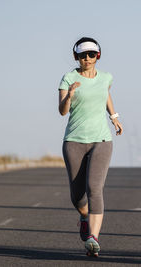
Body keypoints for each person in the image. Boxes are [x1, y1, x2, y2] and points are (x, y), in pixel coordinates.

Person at [58, 37, 123, 257]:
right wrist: (70, 96)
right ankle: (84, 217)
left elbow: (105, 94)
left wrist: (113, 117)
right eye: (83, 55)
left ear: (98, 55)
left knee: (95, 188)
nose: (87, 58)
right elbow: (62, 111)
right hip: (74, 141)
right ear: (76, 56)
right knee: (77, 196)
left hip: (101, 140)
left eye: (92, 54)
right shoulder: (68, 78)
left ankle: (93, 239)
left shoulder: (106, 78)